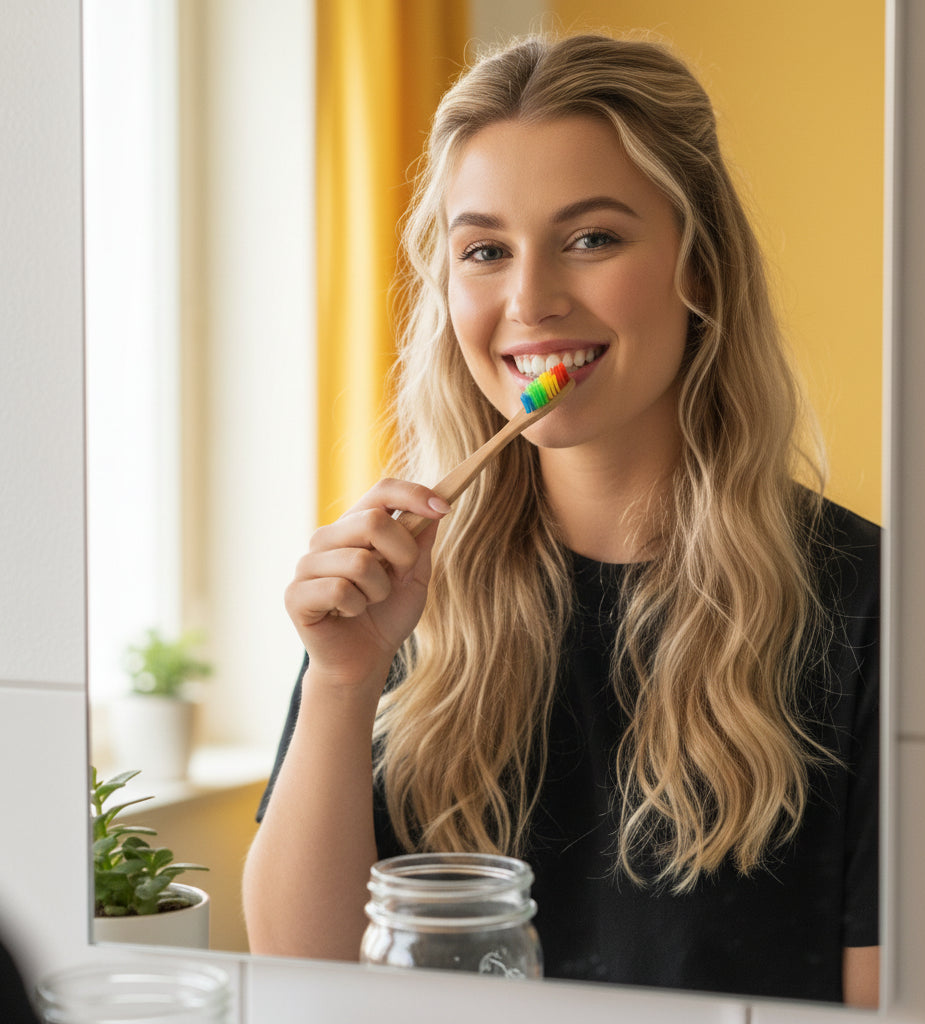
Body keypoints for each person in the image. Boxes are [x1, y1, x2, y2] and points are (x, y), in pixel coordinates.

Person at [243, 33, 880, 1006]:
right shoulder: (400, 591)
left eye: (591, 239)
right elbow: (302, 979)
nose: (530, 300)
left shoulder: (875, 606)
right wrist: (341, 680)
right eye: (485, 251)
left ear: (702, 266)